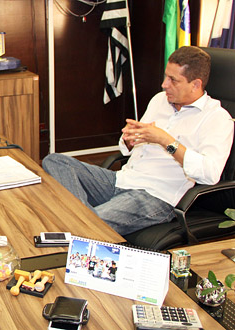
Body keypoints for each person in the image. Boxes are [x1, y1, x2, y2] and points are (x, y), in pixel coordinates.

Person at [42, 46, 234, 235]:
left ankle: (82, 222)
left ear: (196, 84)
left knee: (91, 225)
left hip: (155, 196)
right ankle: (83, 218)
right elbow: (130, 148)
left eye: (173, 80)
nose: (164, 85)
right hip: (122, 180)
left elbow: (210, 174)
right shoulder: (160, 100)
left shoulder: (217, 118)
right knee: (55, 161)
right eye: (166, 76)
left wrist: (166, 140)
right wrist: (129, 141)